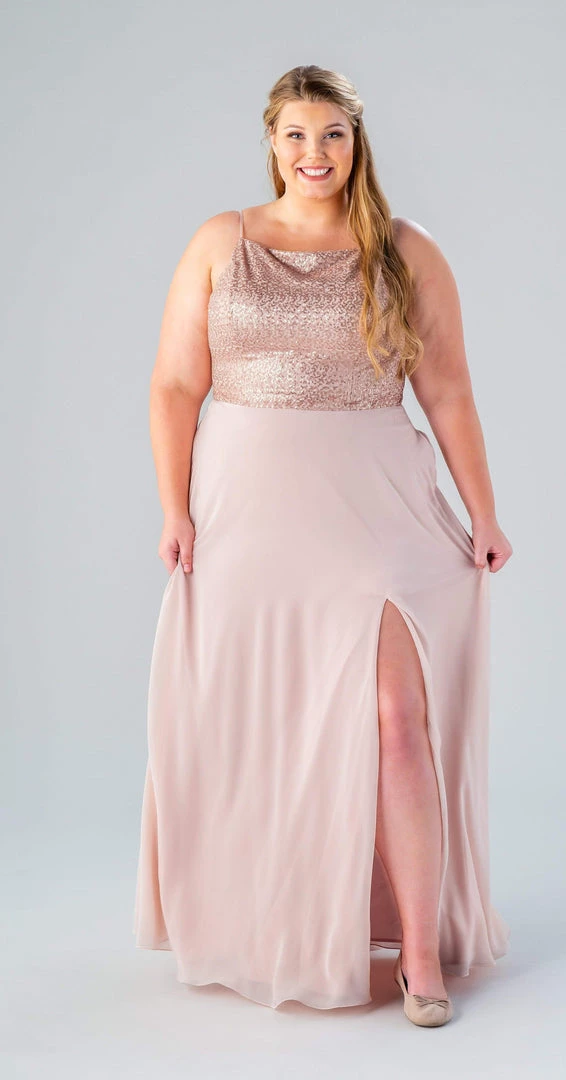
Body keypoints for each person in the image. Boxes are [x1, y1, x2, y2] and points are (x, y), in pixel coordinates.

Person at [133, 64, 513, 1025]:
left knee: (395, 716)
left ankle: (418, 954)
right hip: (248, 515)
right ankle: (281, 925)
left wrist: (485, 513)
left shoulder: (404, 248)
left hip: (376, 505)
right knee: (267, 718)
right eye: (297, 135)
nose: (315, 153)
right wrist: (174, 510)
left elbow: (448, 390)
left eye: (332, 134)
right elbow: (175, 384)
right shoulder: (221, 241)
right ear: (271, 142)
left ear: (356, 141)